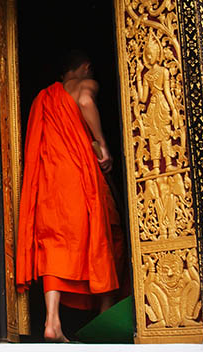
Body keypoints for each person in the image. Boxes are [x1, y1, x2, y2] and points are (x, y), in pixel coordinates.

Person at [16, 50, 125, 343]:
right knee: (102, 238)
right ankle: (105, 314)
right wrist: (102, 145)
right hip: (79, 177)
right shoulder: (84, 85)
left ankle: (52, 322)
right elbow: (87, 101)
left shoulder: (45, 97)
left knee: (54, 245)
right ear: (86, 67)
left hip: (50, 180)